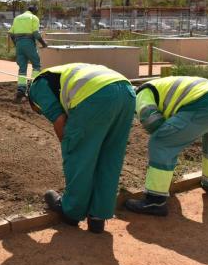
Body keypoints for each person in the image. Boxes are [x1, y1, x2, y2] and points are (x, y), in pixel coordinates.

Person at [27, 63, 135, 233]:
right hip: (127, 92)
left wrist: (70, 145)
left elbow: (59, 119)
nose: (41, 113)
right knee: (110, 157)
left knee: (79, 157)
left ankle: (71, 211)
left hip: (95, 96)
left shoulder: (37, 87)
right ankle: (98, 216)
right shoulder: (63, 73)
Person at [125, 77, 208, 216]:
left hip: (205, 105)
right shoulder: (159, 86)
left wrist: (168, 142)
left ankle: (155, 201)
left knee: (161, 142)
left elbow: (152, 121)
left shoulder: (140, 94)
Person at [9, 6, 48, 103]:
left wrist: (16, 44)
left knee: (22, 68)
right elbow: (36, 33)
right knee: (36, 65)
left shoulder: (17, 18)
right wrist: (44, 44)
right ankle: (32, 87)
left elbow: (11, 34)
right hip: (29, 43)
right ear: (34, 11)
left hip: (19, 44)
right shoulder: (33, 18)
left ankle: (21, 90)